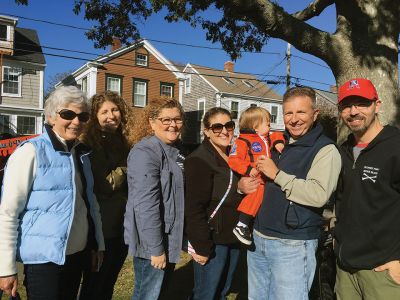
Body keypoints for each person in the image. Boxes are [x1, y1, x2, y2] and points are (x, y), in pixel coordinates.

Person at [0, 86, 105, 299]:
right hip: (43, 261)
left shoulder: (81, 154)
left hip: (75, 256)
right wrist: (6, 268)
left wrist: (97, 244)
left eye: (83, 116)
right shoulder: (30, 151)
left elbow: (90, 204)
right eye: (68, 114)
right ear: (51, 117)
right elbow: (8, 212)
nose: (76, 121)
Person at [249, 86, 342, 300]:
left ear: (315, 114)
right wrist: (243, 185)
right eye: (288, 113)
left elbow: (319, 194)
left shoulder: (325, 149)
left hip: (293, 244)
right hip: (259, 238)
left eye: (301, 112)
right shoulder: (276, 143)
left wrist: (278, 175)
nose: (294, 119)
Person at [333, 78, 400, 299]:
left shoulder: (395, 147)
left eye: (362, 103)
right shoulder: (342, 151)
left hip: (382, 271)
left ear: (377, 105)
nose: (353, 111)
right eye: (347, 105)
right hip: (345, 270)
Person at [124, 97, 185, 300]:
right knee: (147, 295)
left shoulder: (175, 151)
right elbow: (145, 205)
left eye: (177, 119)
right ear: (151, 122)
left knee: (159, 294)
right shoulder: (145, 152)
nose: (172, 125)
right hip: (153, 242)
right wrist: (155, 249)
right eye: (165, 119)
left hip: (169, 237)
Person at [185, 107, 244, 300]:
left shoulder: (233, 157)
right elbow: (194, 208)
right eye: (217, 127)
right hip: (212, 240)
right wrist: (201, 246)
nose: (225, 131)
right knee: (206, 294)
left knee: (223, 291)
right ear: (207, 131)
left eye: (229, 125)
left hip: (232, 236)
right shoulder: (199, 160)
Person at [79, 91, 130, 300]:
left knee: (109, 282)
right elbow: (107, 184)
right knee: (95, 285)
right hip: (103, 227)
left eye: (115, 109)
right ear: (95, 117)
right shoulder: (92, 144)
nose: (111, 115)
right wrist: (129, 166)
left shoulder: (122, 140)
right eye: (104, 111)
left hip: (121, 225)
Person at [229, 107, 281, 245]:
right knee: (256, 193)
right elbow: (233, 160)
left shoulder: (266, 138)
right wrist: (248, 169)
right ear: (255, 127)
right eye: (267, 123)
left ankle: (247, 224)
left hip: (266, 176)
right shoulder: (243, 141)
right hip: (255, 177)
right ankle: (242, 224)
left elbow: (277, 135)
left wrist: (278, 142)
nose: (270, 125)